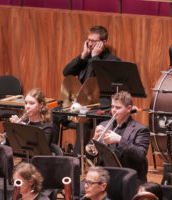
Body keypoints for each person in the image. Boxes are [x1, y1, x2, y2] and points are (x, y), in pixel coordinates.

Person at [58, 25, 121, 154]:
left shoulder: (112, 61)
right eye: (88, 40)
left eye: (93, 41)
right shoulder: (84, 59)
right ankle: (52, 153)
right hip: (77, 103)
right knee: (54, 115)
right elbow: (66, 72)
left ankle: (77, 159)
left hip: (99, 105)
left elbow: (100, 80)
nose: (90, 44)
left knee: (84, 120)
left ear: (103, 43)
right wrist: (82, 56)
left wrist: (94, 58)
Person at [92, 91, 150, 185]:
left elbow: (140, 155)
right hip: (104, 175)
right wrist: (95, 139)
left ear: (129, 108)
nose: (113, 110)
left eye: (118, 107)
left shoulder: (141, 129)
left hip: (127, 177)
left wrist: (119, 140)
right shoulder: (104, 124)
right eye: (112, 106)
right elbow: (90, 155)